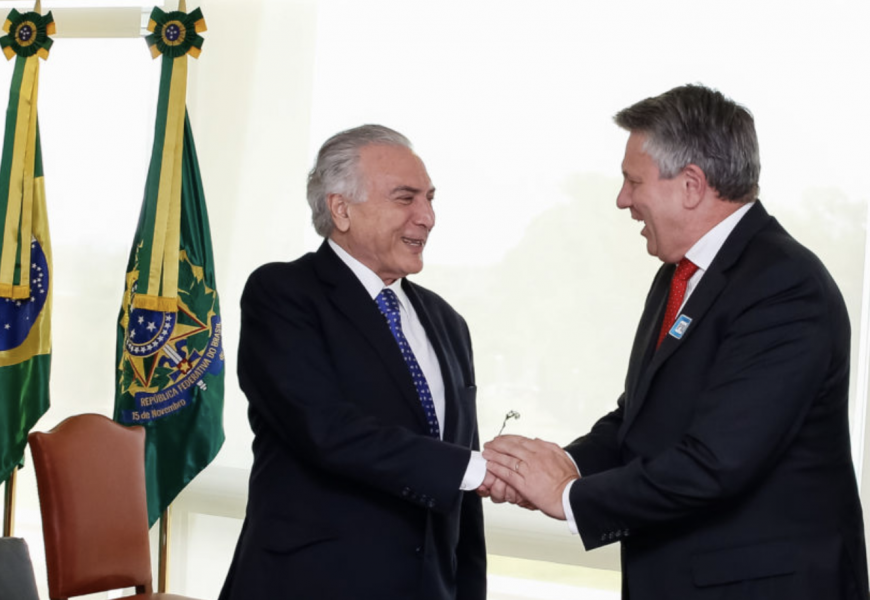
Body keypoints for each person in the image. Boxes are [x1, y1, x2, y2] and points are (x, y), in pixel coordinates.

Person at [482, 84, 869, 599]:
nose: (623, 200)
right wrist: (557, 466)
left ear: (690, 185)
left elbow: (716, 462)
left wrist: (568, 495)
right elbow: (641, 420)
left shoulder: (785, 286)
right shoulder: (680, 275)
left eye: (632, 181)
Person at [219, 124, 487, 600]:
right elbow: (326, 430)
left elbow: (463, 503)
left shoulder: (448, 322)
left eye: (429, 198)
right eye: (405, 198)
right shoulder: (282, 295)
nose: (427, 217)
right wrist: (476, 469)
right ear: (341, 209)